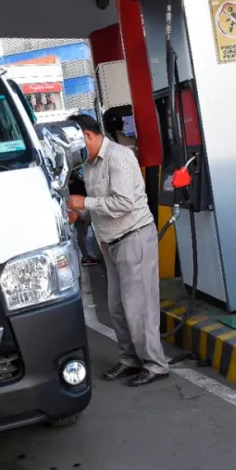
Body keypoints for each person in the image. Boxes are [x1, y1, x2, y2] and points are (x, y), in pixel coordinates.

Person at [66, 114, 170, 387]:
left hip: (133, 236)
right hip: (110, 241)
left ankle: (155, 364)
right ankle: (130, 359)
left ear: (87, 135)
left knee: (139, 307)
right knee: (117, 307)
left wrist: (84, 203)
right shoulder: (89, 165)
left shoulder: (119, 157)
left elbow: (122, 203)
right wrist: (81, 214)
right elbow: (100, 206)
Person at [68, 168, 100, 267]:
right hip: (82, 206)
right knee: (82, 233)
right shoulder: (79, 178)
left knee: (82, 233)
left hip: (80, 205)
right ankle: (86, 256)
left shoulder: (77, 178)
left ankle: (86, 256)